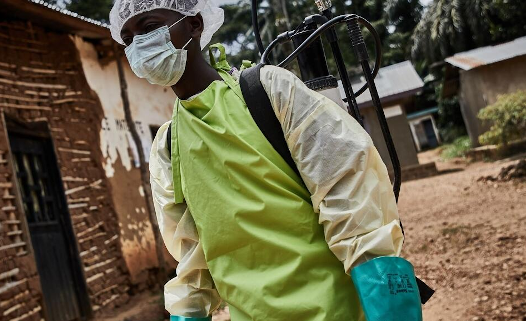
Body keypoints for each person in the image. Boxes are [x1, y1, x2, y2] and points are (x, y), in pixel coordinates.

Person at [109, 0, 423, 320]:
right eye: (129, 38)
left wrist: (391, 311)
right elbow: (192, 263)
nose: (140, 44)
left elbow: (356, 206)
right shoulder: (168, 146)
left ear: (194, 24)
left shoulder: (269, 91)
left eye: (149, 28)